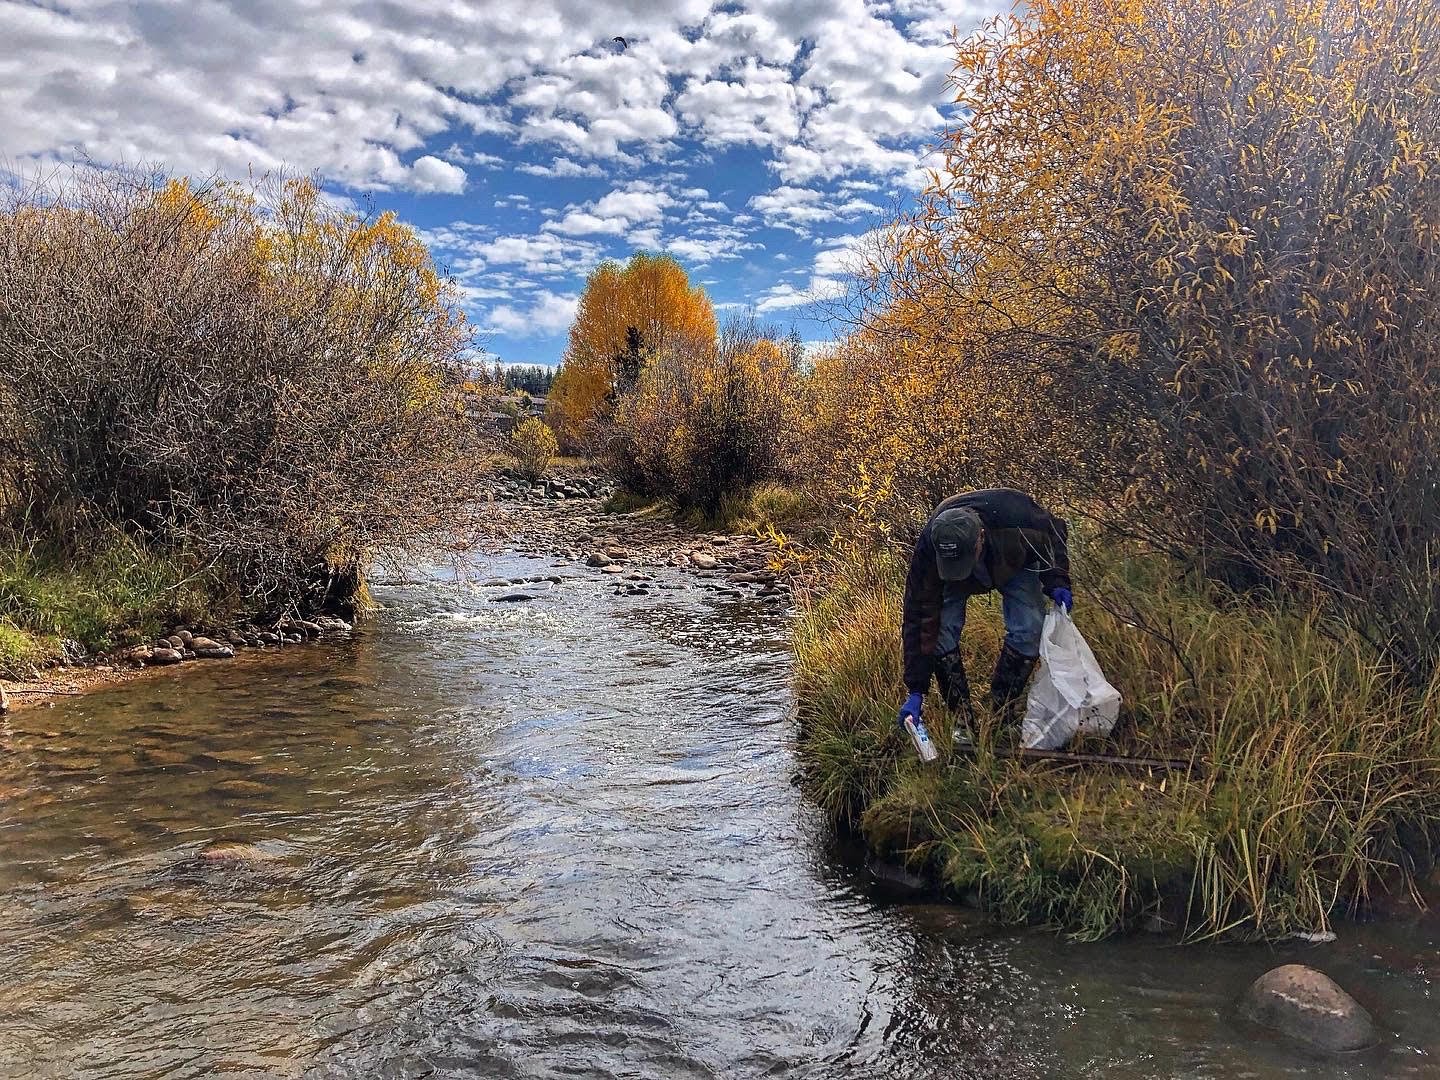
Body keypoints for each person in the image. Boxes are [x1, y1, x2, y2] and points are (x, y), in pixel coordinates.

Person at [897, 488, 1073, 748]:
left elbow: (1054, 536)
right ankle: (962, 720)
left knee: (1030, 627)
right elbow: (918, 617)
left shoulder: (1019, 519)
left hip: (1013, 562)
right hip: (948, 573)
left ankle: (1001, 712)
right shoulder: (930, 550)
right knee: (940, 632)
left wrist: (1057, 580)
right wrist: (916, 689)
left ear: (980, 537)